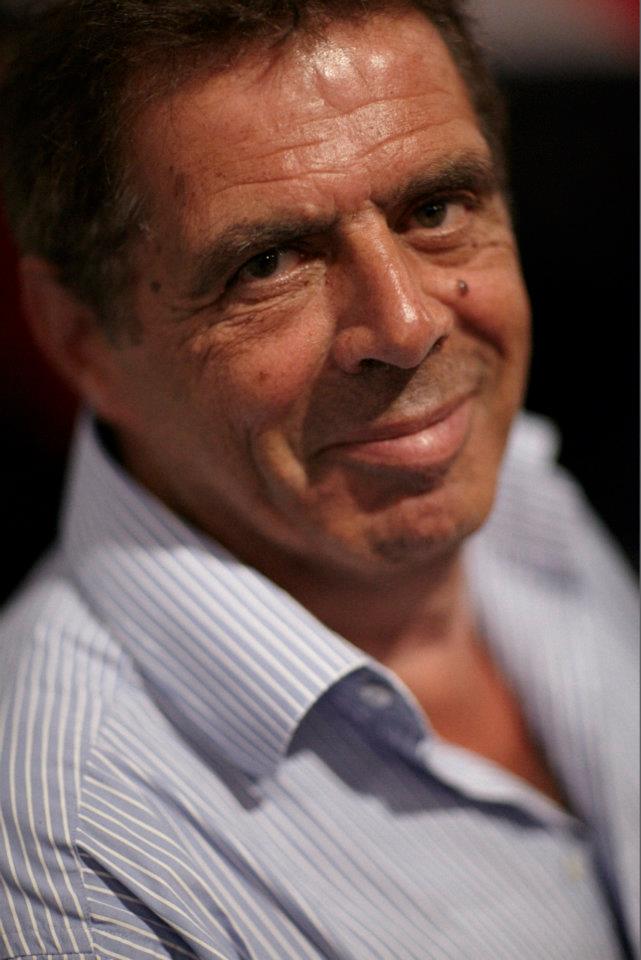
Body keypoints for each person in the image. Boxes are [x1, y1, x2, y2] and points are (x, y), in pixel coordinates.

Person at [0, 1, 637, 957]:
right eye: (268, 263)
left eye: (435, 209)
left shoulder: (518, 488)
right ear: (79, 337)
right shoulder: (79, 861)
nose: (408, 325)